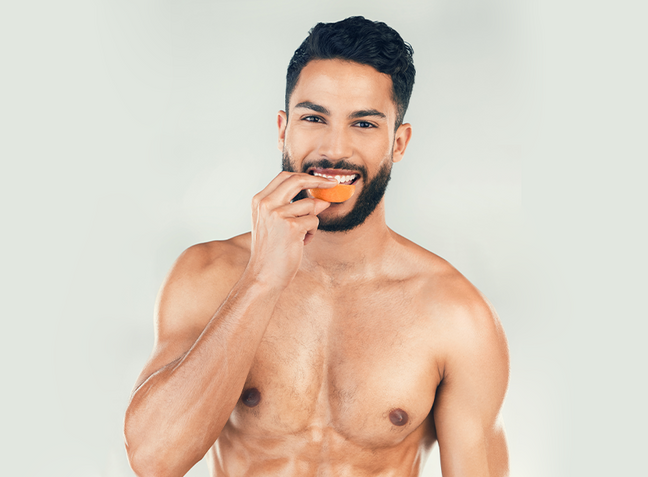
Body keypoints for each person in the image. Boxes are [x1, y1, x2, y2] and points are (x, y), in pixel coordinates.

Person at [124, 16, 509, 477]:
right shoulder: (209, 275)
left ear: (398, 143)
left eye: (363, 123)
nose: (335, 149)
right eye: (313, 118)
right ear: (283, 129)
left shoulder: (456, 314)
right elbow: (153, 459)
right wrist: (261, 280)